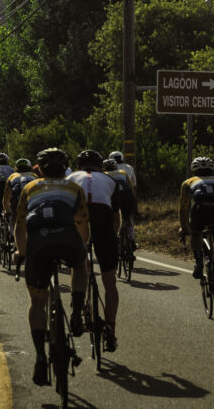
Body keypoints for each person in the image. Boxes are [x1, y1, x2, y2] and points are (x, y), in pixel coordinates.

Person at [14, 148, 89, 387]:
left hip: (39, 243)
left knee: (37, 302)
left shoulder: (29, 188)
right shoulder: (74, 188)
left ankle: (39, 358)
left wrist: (21, 252)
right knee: (80, 265)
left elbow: (20, 225)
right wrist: (81, 249)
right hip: (67, 238)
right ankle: (77, 313)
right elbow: (82, 221)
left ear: (41, 169)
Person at [69, 149, 130, 352]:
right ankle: (111, 332)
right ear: (100, 166)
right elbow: (115, 217)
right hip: (103, 215)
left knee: (80, 266)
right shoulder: (110, 180)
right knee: (109, 282)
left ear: (79, 166)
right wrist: (112, 240)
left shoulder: (70, 179)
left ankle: (80, 306)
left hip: (79, 216)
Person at [178, 156, 214, 312]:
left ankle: (198, 261)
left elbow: (183, 208)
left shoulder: (188, 183)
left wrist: (184, 228)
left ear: (194, 169)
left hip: (199, 213)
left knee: (195, 233)